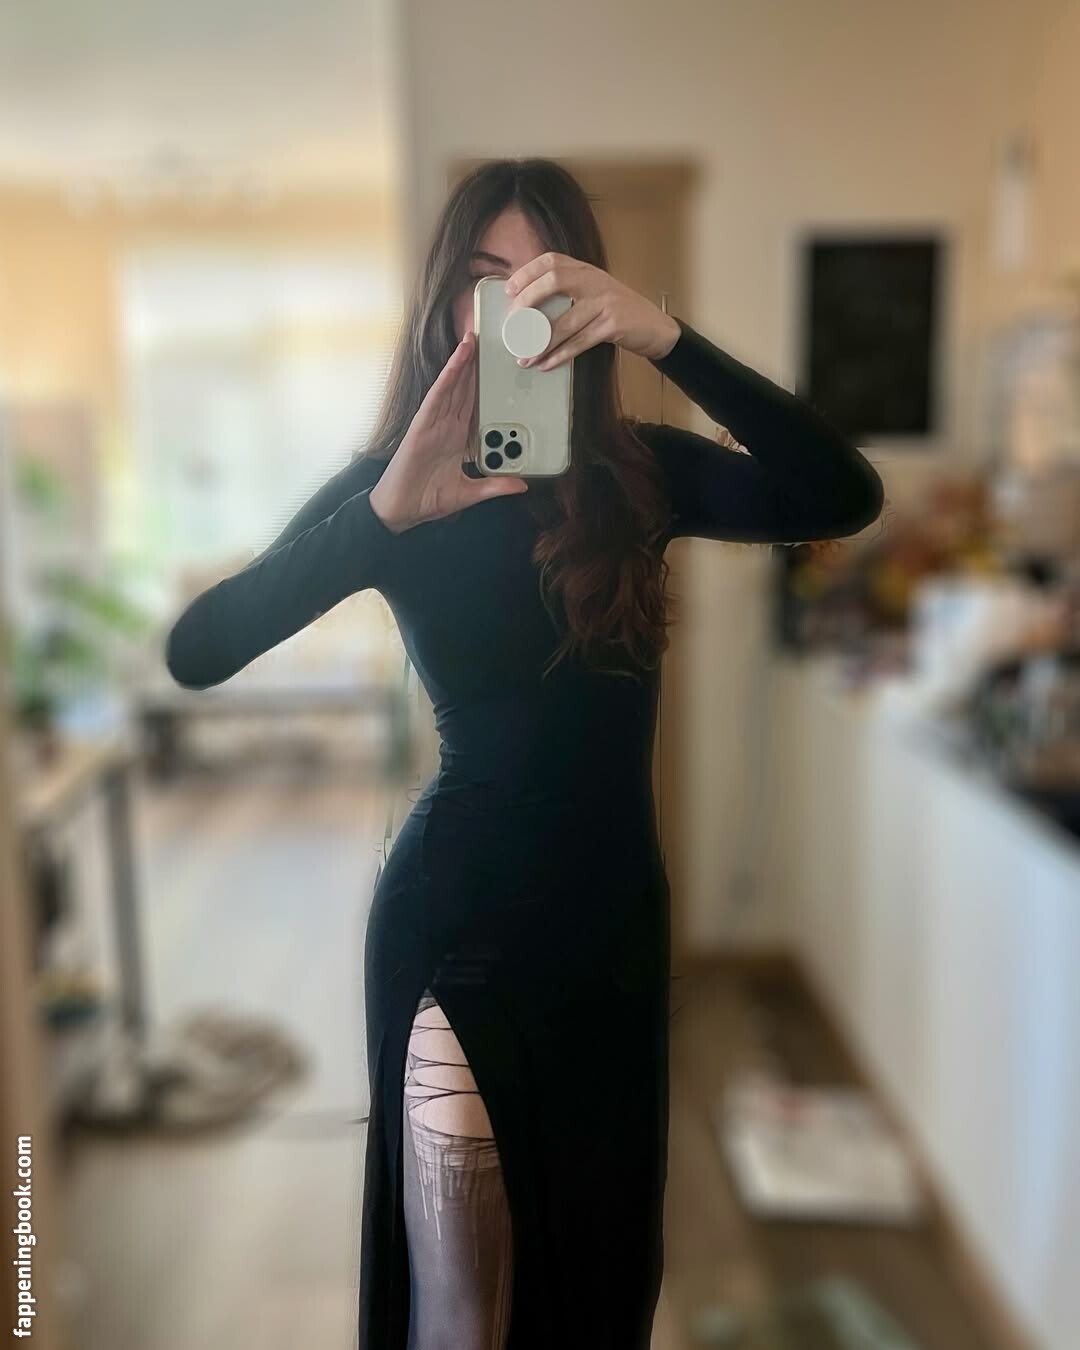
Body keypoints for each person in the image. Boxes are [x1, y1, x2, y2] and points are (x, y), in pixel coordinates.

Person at [164, 157, 884, 1350]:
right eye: (485, 278)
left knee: (595, 1287)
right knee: (462, 1311)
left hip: (616, 933)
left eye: (546, 282)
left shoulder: (637, 474)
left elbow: (840, 492)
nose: (513, 309)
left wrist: (666, 334)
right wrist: (385, 516)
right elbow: (200, 650)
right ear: (446, 302)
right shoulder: (389, 486)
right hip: (463, 933)